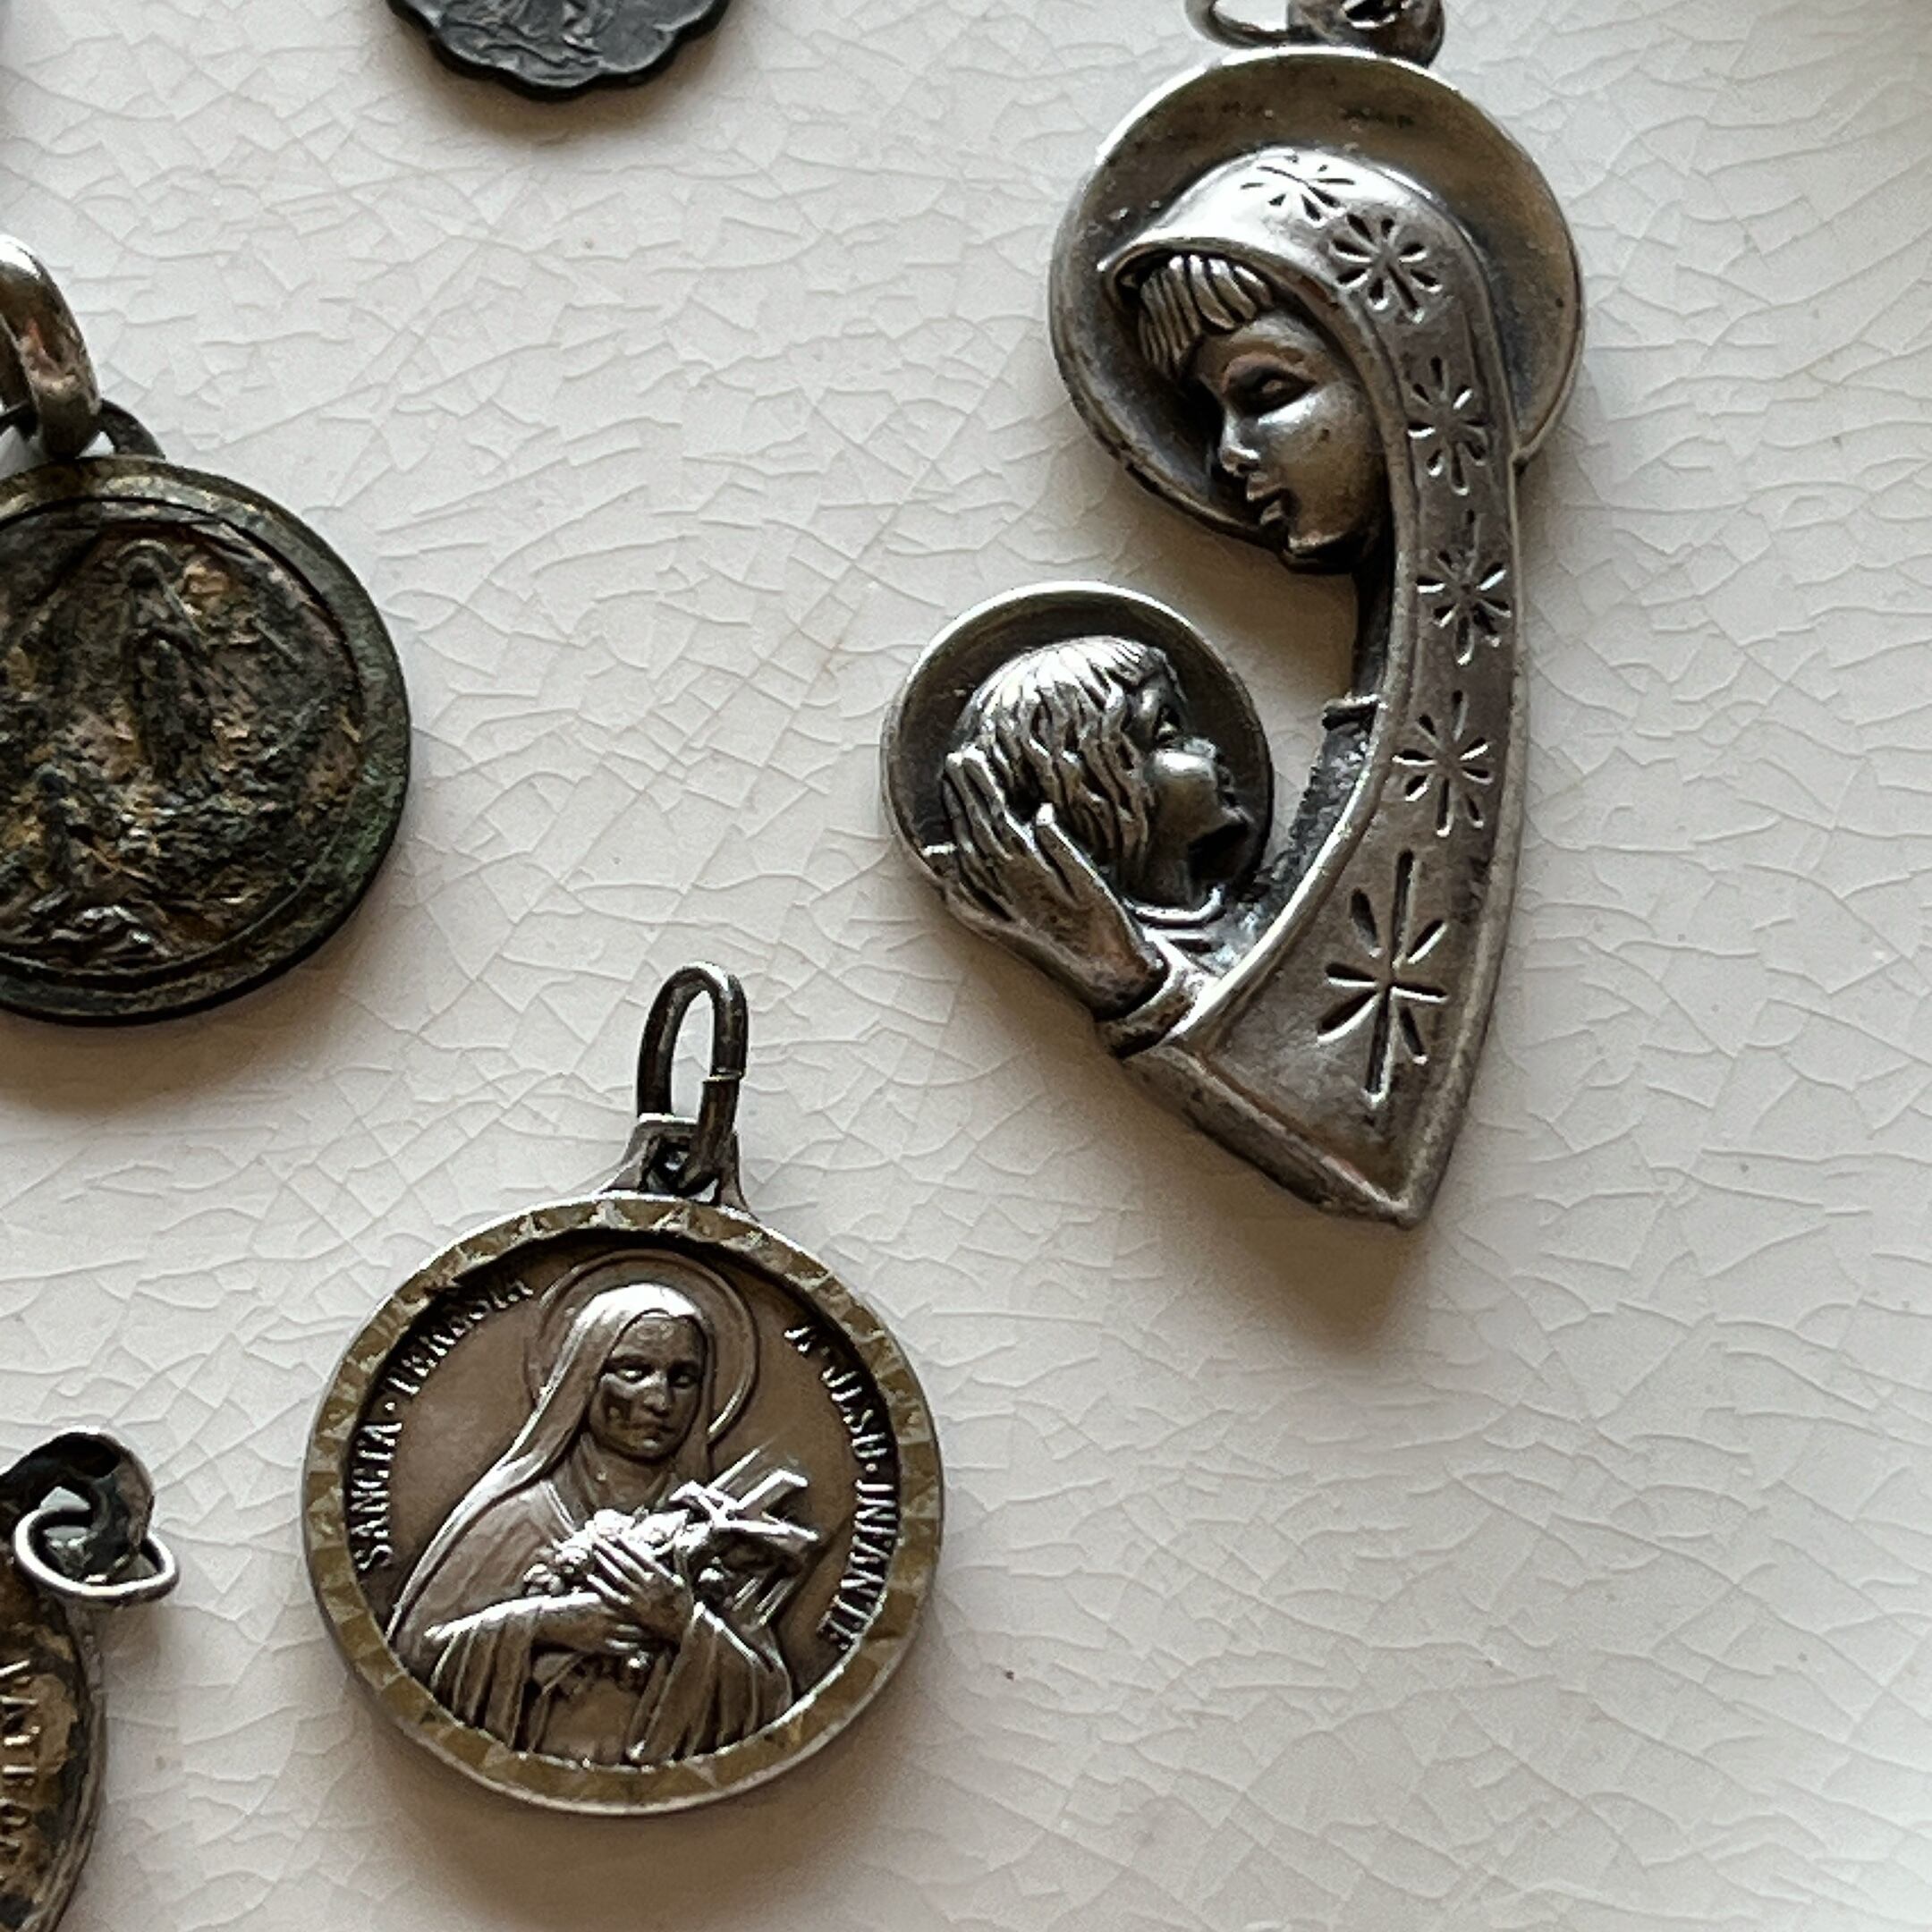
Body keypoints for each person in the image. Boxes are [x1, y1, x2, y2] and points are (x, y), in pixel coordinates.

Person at [389, 1270, 811, 1767]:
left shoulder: (714, 1530)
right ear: (585, 1377)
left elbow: (773, 1705)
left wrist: (681, 1622)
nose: (660, 1401)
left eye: (683, 1378)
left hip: (672, 1790)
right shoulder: (515, 1516)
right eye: (634, 1371)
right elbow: (408, 1665)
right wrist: (543, 1625)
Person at [938, 635, 1248, 1022]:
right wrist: (1122, 970)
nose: (1209, 749)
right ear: (1090, 784)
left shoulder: (1233, 921)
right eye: (1169, 735)